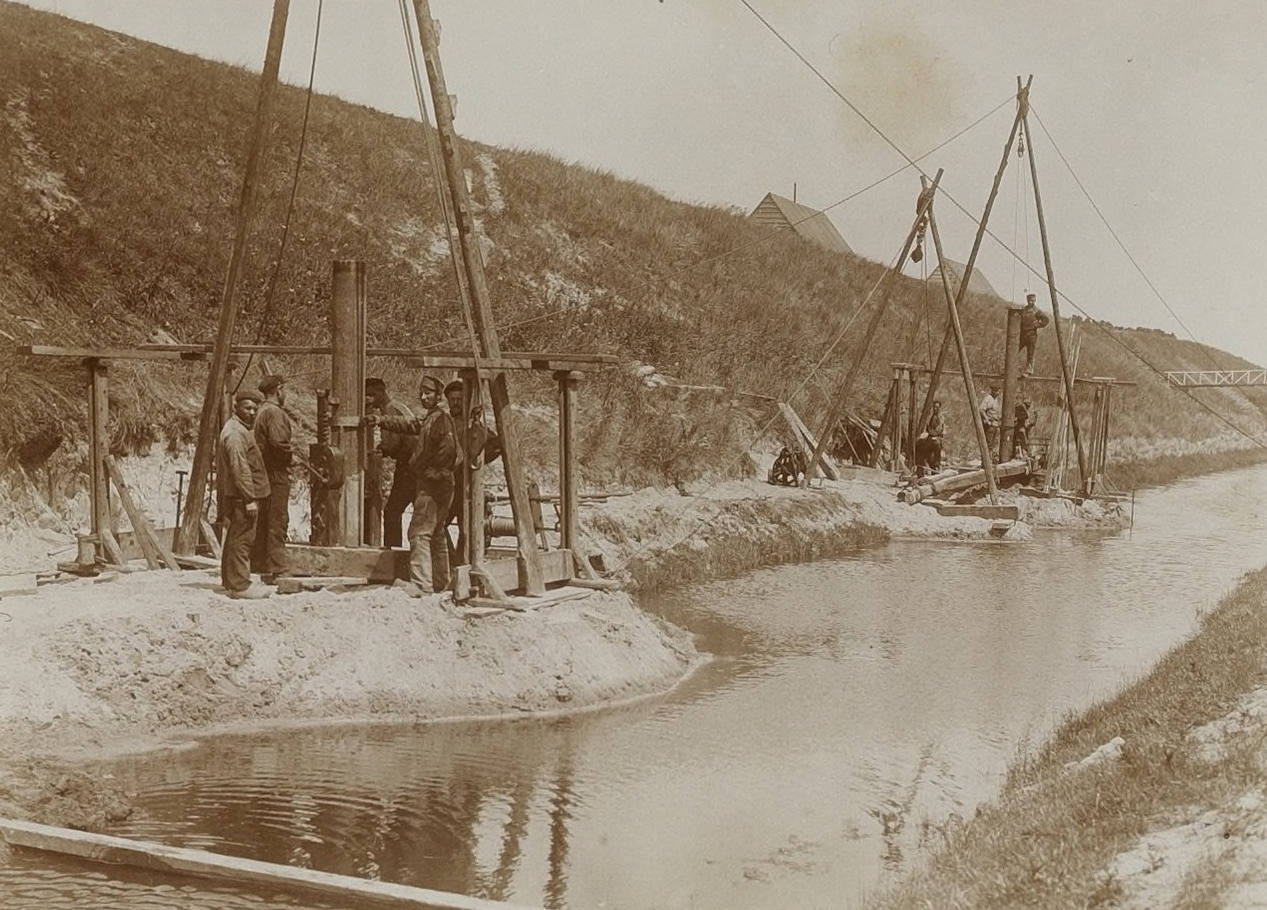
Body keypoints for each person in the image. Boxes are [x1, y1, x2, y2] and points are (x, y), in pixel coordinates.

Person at [367, 375, 457, 594]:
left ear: (438, 396)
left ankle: (421, 584)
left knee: (418, 533)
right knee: (435, 534)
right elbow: (408, 425)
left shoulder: (441, 421)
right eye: (422, 393)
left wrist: (430, 471)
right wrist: (380, 420)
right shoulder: (430, 419)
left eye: (428, 393)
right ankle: (440, 581)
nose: (423, 396)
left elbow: (450, 451)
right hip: (437, 482)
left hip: (433, 484)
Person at [216, 390, 271, 599]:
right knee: (243, 539)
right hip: (243, 496)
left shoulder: (239, 428)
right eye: (247, 408)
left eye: (255, 409)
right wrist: (249, 499)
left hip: (241, 494)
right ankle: (240, 586)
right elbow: (240, 469)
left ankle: (230, 580)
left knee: (234, 537)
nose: (251, 412)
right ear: (236, 408)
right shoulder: (235, 434)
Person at [443, 380, 501, 564]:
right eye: (452, 399)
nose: (455, 403)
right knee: (438, 525)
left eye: (459, 399)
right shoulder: (443, 422)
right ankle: (451, 561)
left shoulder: (473, 426)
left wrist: (475, 461)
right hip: (446, 485)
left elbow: (494, 445)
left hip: (466, 487)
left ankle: (463, 563)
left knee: (467, 529)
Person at [250, 374, 293, 583]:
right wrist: (291, 458)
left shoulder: (260, 411)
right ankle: (278, 568)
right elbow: (278, 443)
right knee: (277, 520)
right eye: (285, 390)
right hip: (276, 474)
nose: (286, 394)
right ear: (279, 389)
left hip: (263, 473)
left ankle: (258, 564)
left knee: (264, 520)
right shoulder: (274, 413)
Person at [365, 377, 417, 548]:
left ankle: (392, 552)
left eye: (372, 395)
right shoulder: (399, 406)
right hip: (414, 467)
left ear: (382, 392)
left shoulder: (390, 411)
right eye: (367, 395)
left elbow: (394, 444)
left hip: (409, 468)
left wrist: (380, 450)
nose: (369, 399)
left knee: (392, 511)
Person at [1018, 293, 1050, 376]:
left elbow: (1046, 320)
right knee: (1014, 351)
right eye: (1030, 300)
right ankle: (1010, 368)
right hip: (1022, 334)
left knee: (1030, 354)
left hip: (1031, 335)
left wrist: (1038, 325)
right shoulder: (1024, 310)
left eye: (1033, 300)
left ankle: (1028, 371)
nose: (1031, 302)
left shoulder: (1036, 311)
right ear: (1027, 300)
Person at [979, 385, 1001, 454]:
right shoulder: (988, 398)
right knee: (988, 444)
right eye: (997, 391)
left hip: (996, 424)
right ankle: (986, 461)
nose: (998, 393)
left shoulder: (996, 399)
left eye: (999, 391)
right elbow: (981, 409)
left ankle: (990, 459)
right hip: (990, 425)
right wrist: (987, 419)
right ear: (993, 391)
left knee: (993, 444)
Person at [925, 400, 945, 471]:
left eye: (937, 407)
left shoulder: (940, 417)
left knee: (936, 449)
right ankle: (930, 467)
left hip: (937, 438)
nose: (935, 409)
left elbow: (939, 430)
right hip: (931, 437)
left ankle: (936, 466)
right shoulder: (932, 417)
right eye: (934, 407)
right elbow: (928, 428)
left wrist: (931, 432)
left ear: (939, 408)